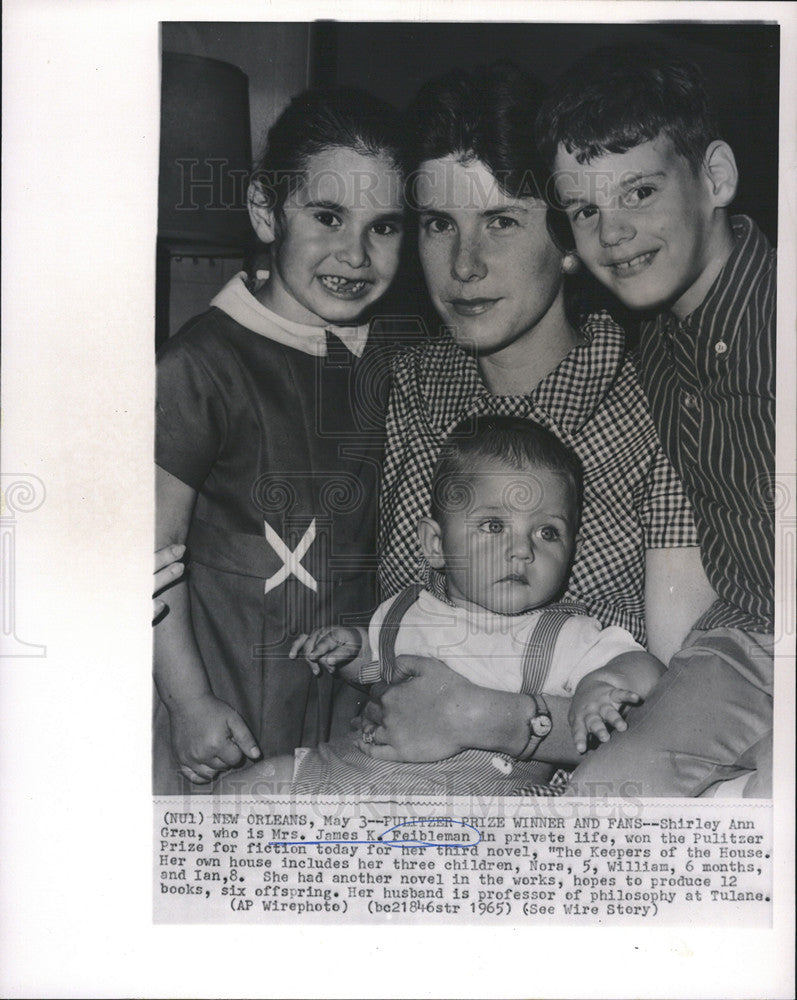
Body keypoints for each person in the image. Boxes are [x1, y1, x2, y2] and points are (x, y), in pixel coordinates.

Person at [353, 63, 714, 782]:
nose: (463, 264)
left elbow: (687, 712)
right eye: (437, 225)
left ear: (568, 237)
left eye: (501, 222)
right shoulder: (400, 391)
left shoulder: (662, 408)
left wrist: (486, 716)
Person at [536, 45, 775, 797]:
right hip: (750, 636)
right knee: (600, 797)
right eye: (585, 210)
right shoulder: (657, 342)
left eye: (637, 192)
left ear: (714, 179)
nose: (610, 234)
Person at [153, 87, 406, 793]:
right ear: (267, 211)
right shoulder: (200, 364)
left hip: (345, 703)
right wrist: (187, 701)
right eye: (327, 216)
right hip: (227, 692)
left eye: (383, 226)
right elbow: (144, 554)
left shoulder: (390, 357)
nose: (354, 254)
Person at [220, 416, 665, 796]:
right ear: (435, 543)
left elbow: (647, 669)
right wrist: (351, 653)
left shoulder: (564, 634)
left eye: (548, 532)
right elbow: (377, 671)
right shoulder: (404, 611)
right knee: (245, 788)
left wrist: (601, 686)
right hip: (348, 774)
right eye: (494, 525)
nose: (523, 551)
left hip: (467, 806)